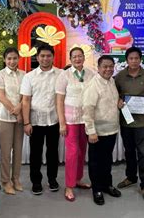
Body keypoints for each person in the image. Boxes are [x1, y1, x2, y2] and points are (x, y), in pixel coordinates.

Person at [115, 47, 144, 201]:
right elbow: (114, 95)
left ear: (140, 59)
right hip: (126, 122)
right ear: (126, 60)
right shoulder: (119, 77)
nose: (134, 61)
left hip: (142, 123)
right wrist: (118, 101)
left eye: (136, 58)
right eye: (131, 58)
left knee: (143, 153)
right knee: (129, 152)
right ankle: (131, 177)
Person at [21, 44, 62, 195]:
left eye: (48, 56)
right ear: (37, 57)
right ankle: (36, 182)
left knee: (52, 152)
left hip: (54, 120)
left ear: (53, 57)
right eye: (42, 56)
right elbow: (25, 101)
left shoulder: (60, 74)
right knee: (35, 153)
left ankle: (52, 179)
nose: (45, 59)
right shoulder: (29, 77)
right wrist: (26, 122)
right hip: (35, 121)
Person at [55, 47, 94, 202]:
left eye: (80, 56)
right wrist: (62, 123)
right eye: (74, 57)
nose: (77, 59)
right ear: (70, 59)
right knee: (71, 152)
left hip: (86, 119)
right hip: (70, 120)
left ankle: (78, 179)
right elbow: (59, 101)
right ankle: (69, 185)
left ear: (84, 58)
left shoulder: (91, 73)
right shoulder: (64, 75)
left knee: (82, 151)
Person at [82, 55, 121, 206]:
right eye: (105, 66)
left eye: (111, 66)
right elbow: (87, 109)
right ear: (98, 68)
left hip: (111, 129)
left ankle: (107, 185)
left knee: (107, 160)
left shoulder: (112, 81)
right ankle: (97, 189)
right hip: (97, 132)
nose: (108, 69)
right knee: (95, 162)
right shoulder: (93, 85)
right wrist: (91, 131)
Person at [0, 48, 25, 195]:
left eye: (14, 58)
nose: (12, 61)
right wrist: (14, 111)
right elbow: (0, 96)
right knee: (6, 152)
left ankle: (16, 179)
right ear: (4, 60)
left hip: (20, 117)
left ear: (18, 59)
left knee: (18, 150)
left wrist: (19, 108)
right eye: (9, 59)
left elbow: (25, 96)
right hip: (5, 117)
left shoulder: (24, 74)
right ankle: (5, 181)